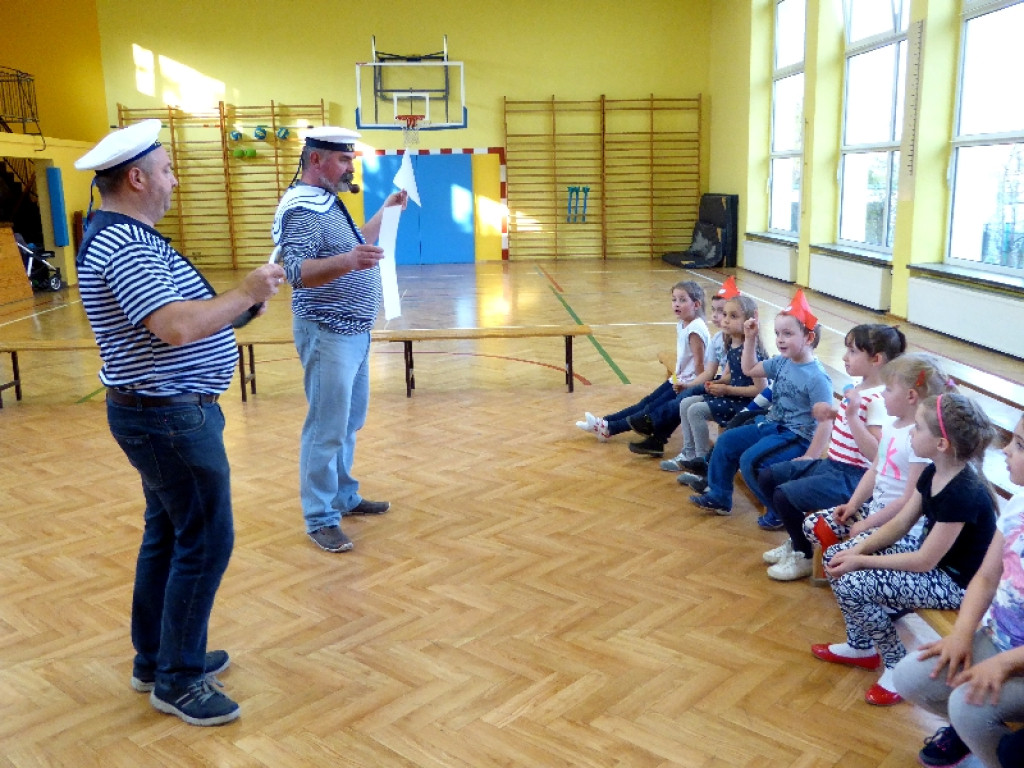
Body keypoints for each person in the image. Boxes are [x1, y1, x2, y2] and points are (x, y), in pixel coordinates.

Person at [74, 119, 286, 726]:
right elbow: (175, 327)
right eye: (166, 170)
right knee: (206, 540)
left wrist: (240, 307)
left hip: (164, 414)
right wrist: (244, 290)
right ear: (137, 179)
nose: (174, 179)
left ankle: (157, 659)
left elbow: (181, 314)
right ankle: (180, 679)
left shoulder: (127, 237)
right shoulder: (126, 245)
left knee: (169, 535)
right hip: (167, 418)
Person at [813, 393, 998, 706]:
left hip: (954, 583)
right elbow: (900, 523)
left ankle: (895, 664)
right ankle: (860, 646)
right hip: (931, 566)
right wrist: (857, 551)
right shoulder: (933, 472)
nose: (910, 432)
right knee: (836, 557)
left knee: (853, 581)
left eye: (918, 428)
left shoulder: (963, 492)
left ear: (941, 444)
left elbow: (925, 561)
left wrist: (861, 560)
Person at [272, 126, 407, 554]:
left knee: (348, 423)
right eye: (344, 159)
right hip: (326, 332)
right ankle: (320, 517)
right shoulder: (302, 209)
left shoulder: (327, 202)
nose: (351, 167)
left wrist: (385, 210)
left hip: (354, 331)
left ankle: (344, 496)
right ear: (316, 160)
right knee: (326, 427)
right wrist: (349, 260)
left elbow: (356, 246)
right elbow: (296, 272)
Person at [892, 414, 1024, 768]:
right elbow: (986, 578)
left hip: (1016, 657)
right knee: (908, 678)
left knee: (969, 708)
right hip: (997, 639)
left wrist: (1005, 663)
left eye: (1020, 445)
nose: (1006, 450)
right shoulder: (1019, 503)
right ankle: (971, 737)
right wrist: (962, 635)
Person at [756, 324, 907, 578]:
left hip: (852, 477)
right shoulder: (859, 388)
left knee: (784, 495)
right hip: (832, 464)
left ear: (877, 359)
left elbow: (877, 455)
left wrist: (852, 417)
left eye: (853, 352)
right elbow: (852, 417)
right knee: (769, 476)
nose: (845, 357)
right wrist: (834, 413)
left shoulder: (880, 400)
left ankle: (803, 554)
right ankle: (796, 538)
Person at [792, 354, 954, 559]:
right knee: (812, 525)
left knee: (835, 556)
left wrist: (867, 524)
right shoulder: (892, 426)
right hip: (875, 512)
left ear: (910, 396)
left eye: (888, 389)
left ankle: (846, 565)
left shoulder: (919, 440)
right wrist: (853, 505)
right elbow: (875, 469)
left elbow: (908, 501)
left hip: (900, 529)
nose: (882, 394)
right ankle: (841, 564)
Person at [688, 289, 833, 518]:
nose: (780, 339)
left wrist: (811, 456)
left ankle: (779, 512)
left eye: (787, 334)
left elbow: (825, 423)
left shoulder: (817, 378)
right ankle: (719, 496)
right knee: (726, 441)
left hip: (795, 436)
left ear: (809, 338)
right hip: (772, 425)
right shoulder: (782, 362)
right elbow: (749, 369)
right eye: (777, 333)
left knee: (751, 460)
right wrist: (751, 339)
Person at [576, 280, 710, 457]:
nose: (676, 304)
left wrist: (694, 388)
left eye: (682, 300)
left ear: (696, 304)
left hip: (687, 382)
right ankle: (605, 423)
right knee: (645, 403)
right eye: (674, 299)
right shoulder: (683, 323)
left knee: (650, 409)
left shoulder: (695, 329)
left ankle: (609, 428)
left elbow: (700, 364)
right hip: (679, 378)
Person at [669, 294, 767, 475]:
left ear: (749, 320)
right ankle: (689, 453)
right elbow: (734, 375)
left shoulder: (750, 350)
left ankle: (702, 462)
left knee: (695, 410)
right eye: (725, 314)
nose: (726, 320)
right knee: (685, 403)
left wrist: (726, 389)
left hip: (745, 404)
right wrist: (718, 382)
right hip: (732, 395)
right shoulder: (732, 343)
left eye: (733, 316)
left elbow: (760, 389)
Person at [658, 276, 737, 470]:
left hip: (737, 395)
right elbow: (712, 372)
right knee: (685, 399)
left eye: (726, 313)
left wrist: (717, 386)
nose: (717, 317)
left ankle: (700, 460)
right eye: (715, 311)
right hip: (723, 387)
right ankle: (689, 453)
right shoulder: (719, 339)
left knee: (692, 407)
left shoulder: (742, 345)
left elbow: (736, 379)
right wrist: (690, 385)